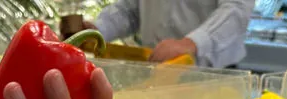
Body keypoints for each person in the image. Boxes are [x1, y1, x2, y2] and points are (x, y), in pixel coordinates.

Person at [82, 0, 257, 68]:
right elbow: (131, 10)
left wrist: (190, 43)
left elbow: (237, 10)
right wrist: (98, 31)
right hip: (156, 68)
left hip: (212, 75)